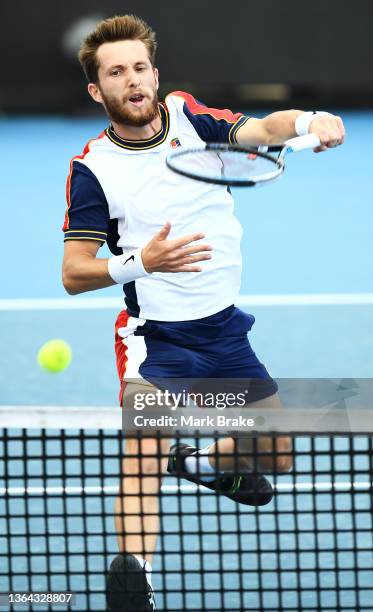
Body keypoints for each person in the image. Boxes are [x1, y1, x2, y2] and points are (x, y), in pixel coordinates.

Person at [62, 14, 345, 612]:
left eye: (140, 68)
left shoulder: (189, 117)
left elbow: (263, 127)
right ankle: (134, 580)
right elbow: (74, 271)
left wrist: (307, 121)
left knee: (275, 454)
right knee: (143, 449)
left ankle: (200, 461)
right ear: (98, 91)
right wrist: (142, 262)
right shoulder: (92, 169)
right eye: (116, 72)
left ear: (155, 74)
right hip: (156, 340)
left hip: (224, 334)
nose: (132, 80)